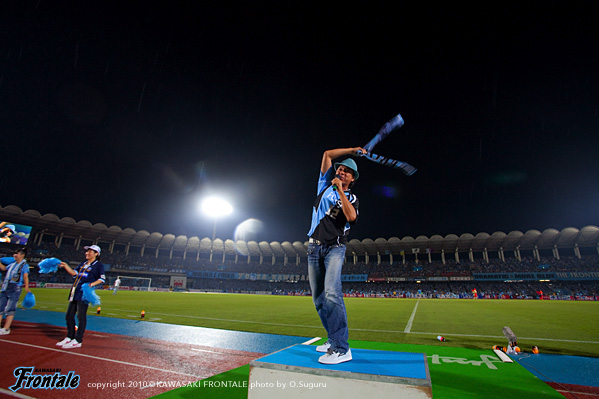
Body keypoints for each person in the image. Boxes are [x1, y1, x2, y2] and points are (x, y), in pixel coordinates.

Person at [307, 147, 365, 364]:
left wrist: (340, 191)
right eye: (340, 169)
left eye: (346, 172)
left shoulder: (351, 197)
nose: (341, 171)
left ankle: (342, 348)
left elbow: (351, 217)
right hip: (313, 248)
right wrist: (353, 150)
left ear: (352, 179)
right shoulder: (323, 186)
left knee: (332, 293)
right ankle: (332, 340)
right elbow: (327, 155)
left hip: (335, 248)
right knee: (319, 300)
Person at [56, 245, 105, 349]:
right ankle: (70, 336)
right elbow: (74, 273)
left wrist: (90, 285)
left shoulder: (98, 265)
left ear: (96, 254)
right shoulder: (83, 263)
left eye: (90, 251)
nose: (87, 253)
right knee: (69, 315)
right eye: (87, 251)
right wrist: (66, 266)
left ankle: (78, 340)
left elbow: (102, 279)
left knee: (81, 316)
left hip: (84, 294)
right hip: (75, 291)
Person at [0, 248, 30, 334]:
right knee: (0, 307)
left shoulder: (24, 265)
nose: (14, 255)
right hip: (5, 286)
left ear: (22, 255)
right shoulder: (13, 264)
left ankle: (6, 328)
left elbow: (25, 276)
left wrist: (26, 286)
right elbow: (4, 268)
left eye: (16, 254)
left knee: (10, 308)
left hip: (15, 288)